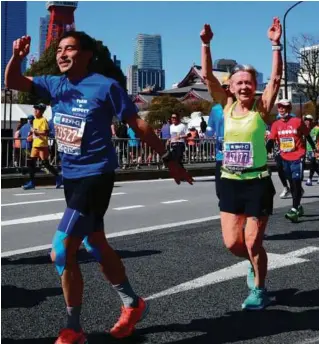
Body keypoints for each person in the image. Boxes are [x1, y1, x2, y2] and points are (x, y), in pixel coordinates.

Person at [5, 31, 193, 343]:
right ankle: (133, 303)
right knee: (95, 244)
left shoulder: (106, 86)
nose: (63, 54)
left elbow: (138, 125)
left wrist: (167, 158)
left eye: (71, 49)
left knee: (60, 251)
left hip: (96, 175)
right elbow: (13, 82)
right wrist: (17, 57)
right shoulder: (55, 84)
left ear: (88, 54)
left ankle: (73, 327)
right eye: (60, 49)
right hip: (72, 176)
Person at [201, 17, 282, 310]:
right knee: (233, 244)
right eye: (239, 82)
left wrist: (275, 45)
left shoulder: (261, 110)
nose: (245, 86)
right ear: (231, 88)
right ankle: (253, 263)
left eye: (249, 82)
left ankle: (258, 290)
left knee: (251, 241)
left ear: (254, 85)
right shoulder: (226, 106)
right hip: (229, 181)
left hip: (257, 182)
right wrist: (206, 44)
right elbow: (208, 76)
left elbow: (275, 81)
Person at [200, 29, 234, 200]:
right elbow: (211, 130)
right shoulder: (215, 109)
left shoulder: (244, 106)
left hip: (241, 158)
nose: (228, 89)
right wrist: (205, 135)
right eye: (225, 87)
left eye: (230, 86)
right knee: (222, 194)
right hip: (222, 155)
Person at [268, 99, 316, 223]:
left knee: (295, 183)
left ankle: (294, 209)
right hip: (285, 157)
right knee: (292, 183)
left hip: (298, 156)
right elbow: (271, 141)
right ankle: (298, 206)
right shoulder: (276, 124)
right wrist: (263, 152)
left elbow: (307, 135)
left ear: (289, 109)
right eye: (279, 107)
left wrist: (315, 149)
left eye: (284, 107)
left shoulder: (297, 122)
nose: (281, 109)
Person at [22, 103, 63, 190]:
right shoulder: (35, 120)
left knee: (45, 164)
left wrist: (36, 132)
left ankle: (58, 177)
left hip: (42, 145)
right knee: (31, 163)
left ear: (41, 112)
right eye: (34, 110)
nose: (35, 111)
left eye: (37, 110)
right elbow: (34, 132)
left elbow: (46, 132)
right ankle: (32, 182)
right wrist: (31, 136)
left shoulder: (43, 120)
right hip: (35, 145)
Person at [303, 114, 319, 186]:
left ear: (312, 121)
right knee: (313, 164)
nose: (307, 121)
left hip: (315, 149)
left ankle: (309, 179)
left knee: (312, 163)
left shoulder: (317, 129)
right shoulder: (304, 129)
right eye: (306, 120)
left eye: (309, 120)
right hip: (307, 149)